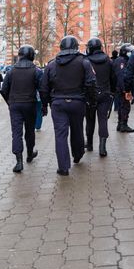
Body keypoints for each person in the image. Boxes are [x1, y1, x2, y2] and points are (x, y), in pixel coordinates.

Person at [40, 36, 96, 176]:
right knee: (77, 130)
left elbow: (44, 87)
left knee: (60, 135)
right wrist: (90, 100)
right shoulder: (84, 62)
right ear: (76, 46)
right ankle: (77, 155)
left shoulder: (52, 65)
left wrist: (46, 104)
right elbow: (91, 82)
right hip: (78, 102)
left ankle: (63, 167)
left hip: (58, 103)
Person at [1, 46, 42, 173]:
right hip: (30, 104)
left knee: (16, 133)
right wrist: (44, 105)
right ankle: (30, 153)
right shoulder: (36, 70)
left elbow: (4, 90)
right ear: (31, 56)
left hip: (15, 105)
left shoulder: (11, 71)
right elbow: (42, 88)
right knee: (30, 131)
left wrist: (10, 102)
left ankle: (19, 161)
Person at [85, 38, 116, 157]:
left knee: (90, 120)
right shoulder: (108, 61)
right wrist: (112, 92)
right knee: (103, 120)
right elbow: (113, 78)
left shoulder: (86, 61)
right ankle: (102, 148)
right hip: (105, 93)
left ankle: (90, 144)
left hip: (90, 95)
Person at [112, 44, 134, 133]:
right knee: (125, 107)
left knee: (122, 106)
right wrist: (125, 89)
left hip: (120, 88)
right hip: (122, 88)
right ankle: (123, 125)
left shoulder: (123, 60)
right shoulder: (121, 61)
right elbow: (121, 76)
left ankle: (120, 124)